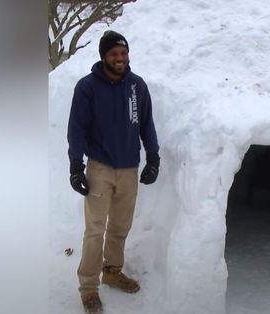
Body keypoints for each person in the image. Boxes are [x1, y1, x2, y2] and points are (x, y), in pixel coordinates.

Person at [67, 30, 160, 314]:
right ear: (103, 56)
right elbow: (77, 129)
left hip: (129, 170)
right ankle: (88, 288)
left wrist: (153, 158)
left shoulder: (137, 86)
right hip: (99, 169)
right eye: (114, 54)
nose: (120, 58)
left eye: (123, 53)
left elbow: (147, 125)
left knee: (120, 227)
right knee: (95, 230)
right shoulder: (87, 87)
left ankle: (112, 271)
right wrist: (75, 165)